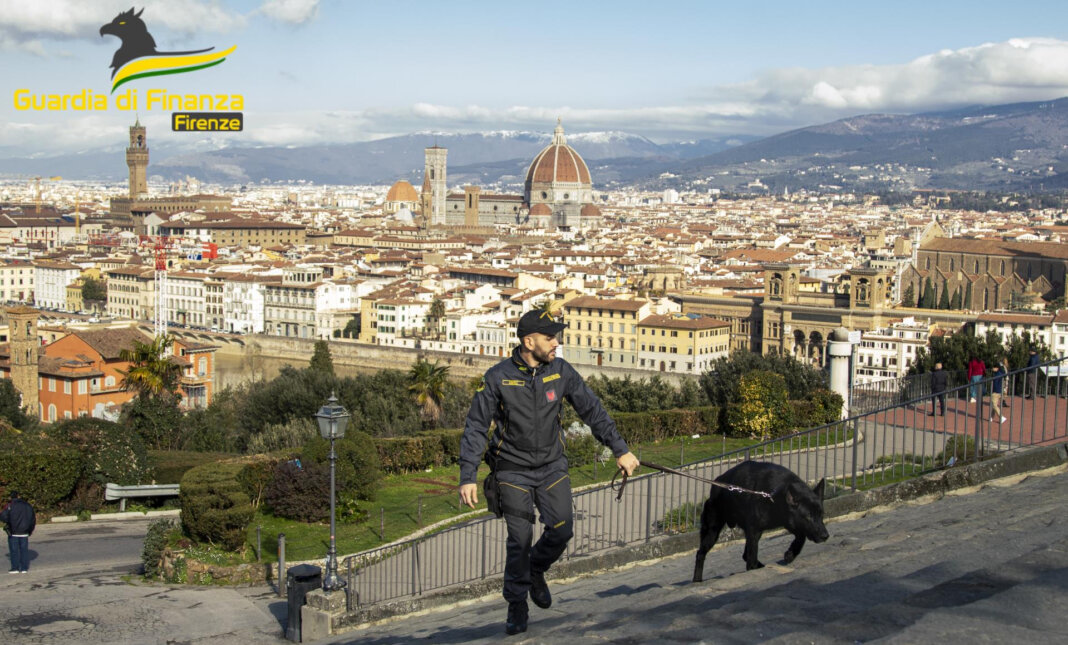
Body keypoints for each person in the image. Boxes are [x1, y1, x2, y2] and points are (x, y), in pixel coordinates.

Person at [459, 309, 639, 635]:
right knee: (520, 538)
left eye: (557, 336)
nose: (557, 342)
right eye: (550, 337)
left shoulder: (560, 371)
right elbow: (475, 427)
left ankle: (536, 569)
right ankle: (516, 605)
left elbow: (592, 409)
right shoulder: (498, 377)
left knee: (562, 529)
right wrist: (468, 475)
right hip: (511, 470)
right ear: (529, 342)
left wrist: (620, 448)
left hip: (552, 466)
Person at [0, 490, 36, 574]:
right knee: (24, 550)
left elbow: (3, 517)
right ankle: (24, 568)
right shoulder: (27, 505)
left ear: (11, 497)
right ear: (18, 496)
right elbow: (32, 519)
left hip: (13, 531)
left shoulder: (10, 505)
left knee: (14, 550)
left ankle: (15, 568)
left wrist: (9, 521)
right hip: (24, 531)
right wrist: (30, 530)